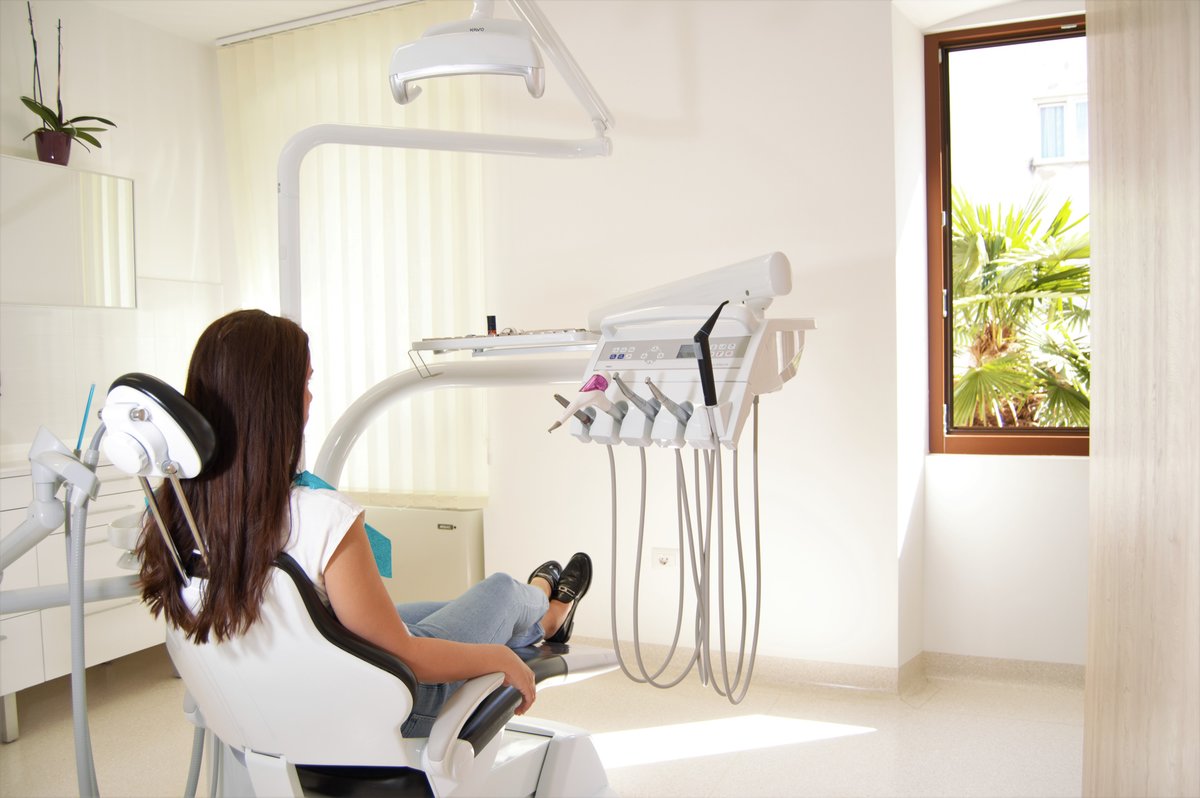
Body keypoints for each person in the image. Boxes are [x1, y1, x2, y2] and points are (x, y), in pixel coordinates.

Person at [136, 309, 592, 736]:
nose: (310, 396)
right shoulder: (323, 517)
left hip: (271, 701)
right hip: (385, 704)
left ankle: (538, 607)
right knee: (500, 592)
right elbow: (404, 656)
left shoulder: (174, 514)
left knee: (446, 607)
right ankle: (548, 612)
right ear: (275, 402)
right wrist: (500, 659)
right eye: (305, 382)